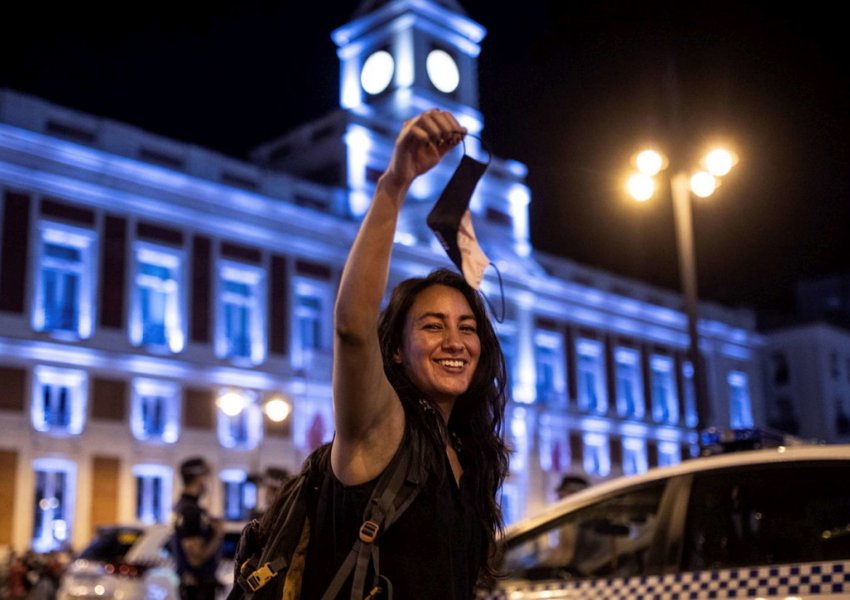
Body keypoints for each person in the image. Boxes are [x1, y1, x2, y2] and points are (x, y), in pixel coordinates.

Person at [299, 109, 511, 599]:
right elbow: (353, 328)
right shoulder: (382, 428)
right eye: (432, 326)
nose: (455, 342)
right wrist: (394, 186)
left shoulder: (463, 451)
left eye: (467, 327)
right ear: (394, 351)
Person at [173, 456, 225, 600]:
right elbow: (196, 558)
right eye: (206, 477)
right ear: (199, 478)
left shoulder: (185, 507)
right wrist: (218, 534)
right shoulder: (190, 511)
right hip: (198, 589)